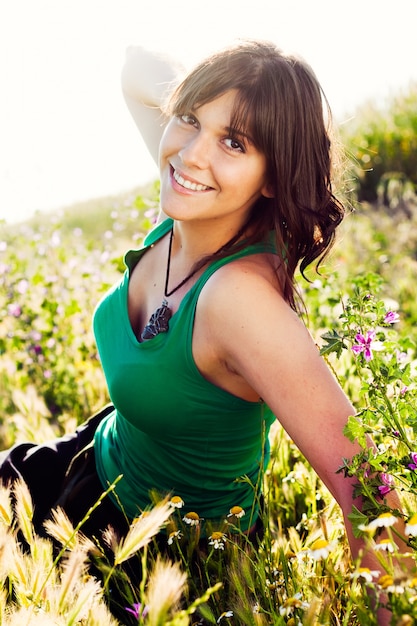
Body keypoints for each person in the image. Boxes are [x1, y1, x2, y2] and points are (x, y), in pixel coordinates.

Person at [0, 39, 410, 624]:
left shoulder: (239, 301)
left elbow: (369, 495)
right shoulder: (192, 198)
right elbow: (135, 66)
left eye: (235, 142)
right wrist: (239, 83)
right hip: (89, 459)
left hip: (158, 552)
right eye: (189, 119)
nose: (191, 154)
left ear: (273, 176)